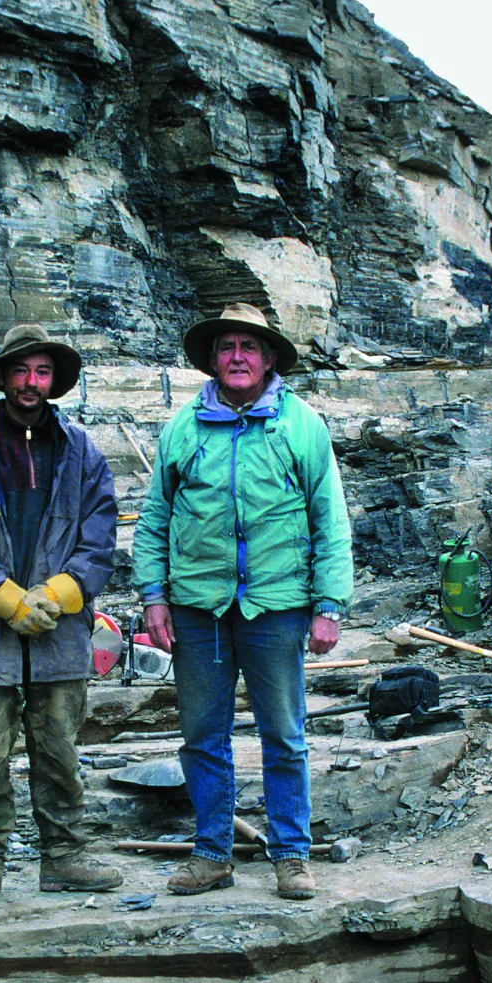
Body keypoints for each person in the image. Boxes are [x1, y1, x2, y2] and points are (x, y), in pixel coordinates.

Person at [131, 302, 353, 899]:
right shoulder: (183, 428)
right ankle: (212, 854)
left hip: (277, 605)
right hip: (196, 608)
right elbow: (154, 519)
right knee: (203, 735)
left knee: (285, 734)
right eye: (226, 347)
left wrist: (329, 604)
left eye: (249, 347)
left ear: (269, 358)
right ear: (211, 359)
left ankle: (291, 854)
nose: (237, 357)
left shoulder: (301, 425)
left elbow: (329, 518)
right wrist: (154, 598)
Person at [0, 323, 123, 905]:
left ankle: (63, 855)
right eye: (21, 371)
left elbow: (100, 535)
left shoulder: (80, 450)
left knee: (59, 747)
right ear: (3, 377)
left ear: (53, 380)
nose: (31, 382)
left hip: (60, 630)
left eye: (41, 372)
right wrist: (5, 597)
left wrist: (61, 594)